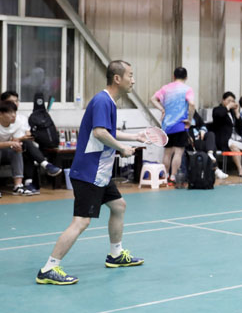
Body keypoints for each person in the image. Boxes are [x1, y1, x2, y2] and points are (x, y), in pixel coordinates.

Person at [36, 60, 147, 285]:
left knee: (119, 206)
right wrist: (122, 148)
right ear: (117, 78)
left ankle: (115, 254)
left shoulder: (108, 102)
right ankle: (49, 268)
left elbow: (108, 131)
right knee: (81, 221)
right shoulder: (102, 101)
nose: (133, 80)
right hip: (90, 172)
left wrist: (134, 137)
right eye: (130, 75)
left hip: (101, 172)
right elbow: (99, 133)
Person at [0, 90, 62, 190]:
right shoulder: (5, 118)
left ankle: (23, 184)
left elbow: (25, 136)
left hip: (14, 148)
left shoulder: (19, 119)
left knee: (24, 147)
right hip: (5, 147)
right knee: (25, 144)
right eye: (11, 101)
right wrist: (16, 140)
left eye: (16, 101)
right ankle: (44, 166)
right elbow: (16, 138)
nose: (15, 103)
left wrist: (19, 140)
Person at [151, 67, 195, 186]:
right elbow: (192, 104)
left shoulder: (165, 88)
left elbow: (153, 99)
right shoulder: (187, 89)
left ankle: (164, 176)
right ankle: (173, 176)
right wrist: (189, 119)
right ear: (186, 77)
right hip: (180, 124)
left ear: (173, 76)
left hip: (167, 125)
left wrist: (162, 109)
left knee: (167, 152)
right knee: (178, 152)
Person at [0, 101, 34, 195]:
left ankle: (18, 186)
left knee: (16, 151)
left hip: (6, 150)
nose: (14, 115)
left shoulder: (17, 123)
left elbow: (16, 140)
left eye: (15, 112)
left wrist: (18, 146)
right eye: (10, 112)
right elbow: (11, 142)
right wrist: (10, 143)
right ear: (1, 114)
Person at [188, 111, 228, 180]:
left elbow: (202, 124)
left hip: (201, 136)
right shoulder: (181, 113)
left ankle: (210, 153)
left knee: (211, 134)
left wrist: (202, 130)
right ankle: (216, 169)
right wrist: (187, 136)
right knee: (213, 147)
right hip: (192, 141)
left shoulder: (194, 112)